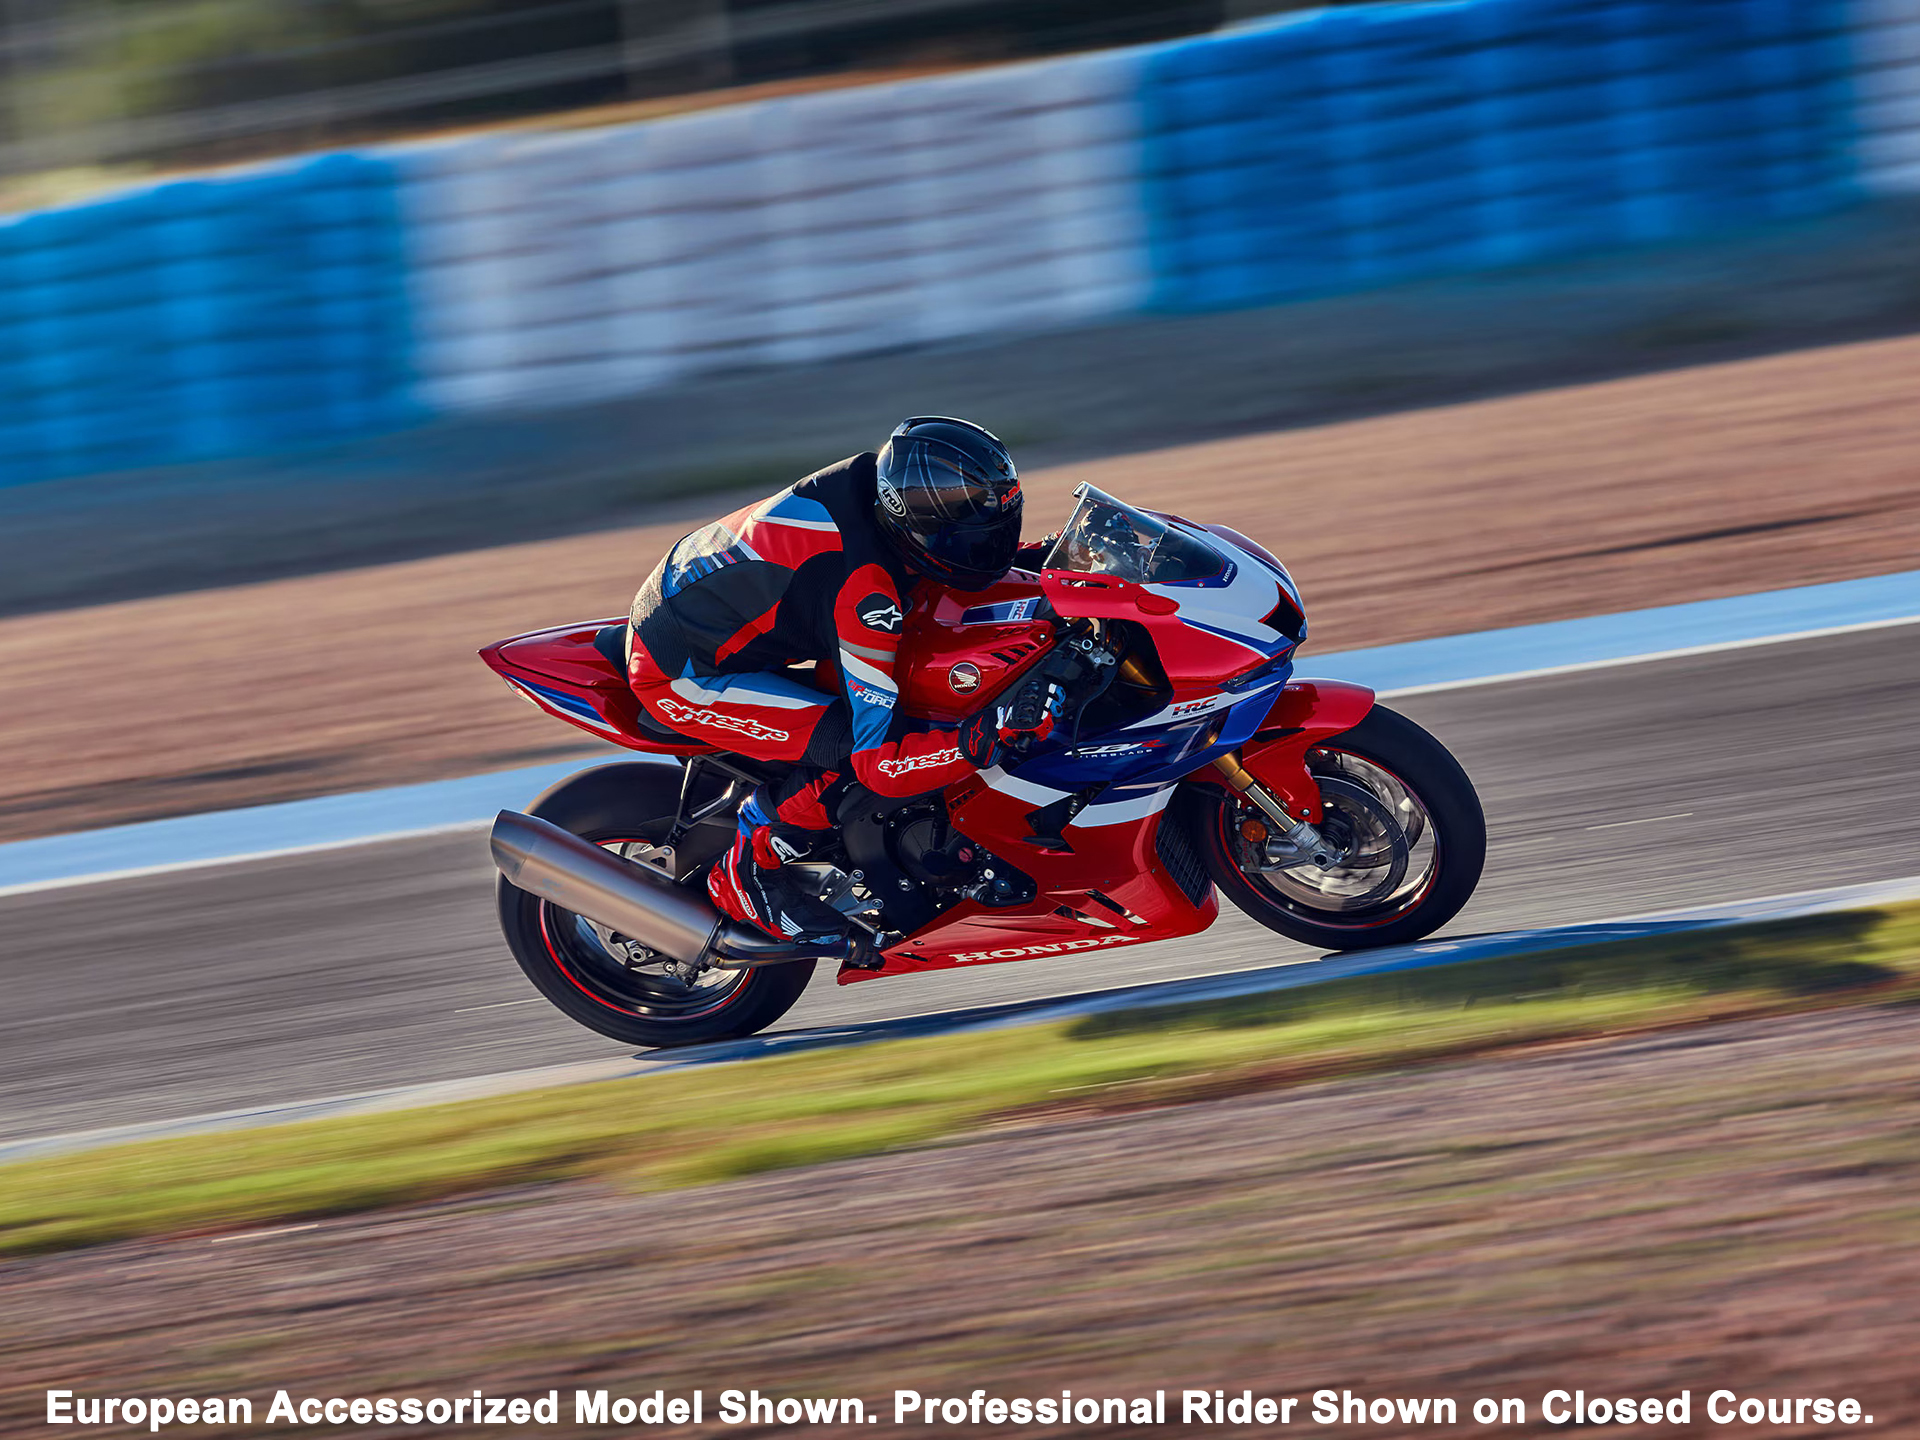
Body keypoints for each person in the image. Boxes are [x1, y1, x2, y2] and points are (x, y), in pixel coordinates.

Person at [626, 417, 1053, 947]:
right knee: (849, 746)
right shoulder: (867, 591)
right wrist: (979, 740)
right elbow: (881, 765)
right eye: (969, 538)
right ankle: (749, 865)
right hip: (686, 673)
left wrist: (1053, 561)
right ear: (914, 524)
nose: (988, 544)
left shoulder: (879, 489)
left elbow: (978, 567)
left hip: (715, 606)